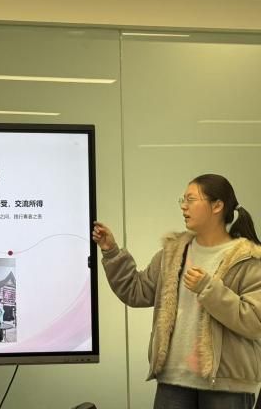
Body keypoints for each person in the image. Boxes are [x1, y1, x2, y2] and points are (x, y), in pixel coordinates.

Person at [93, 174, 261, 409]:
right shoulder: (173, 252)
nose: (184, 206)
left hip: (226, 385)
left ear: (217, 206)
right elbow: (136, 291)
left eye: (191, 199)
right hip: (173, 381)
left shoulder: (247, 258)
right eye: (183, 200)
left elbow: (255, 321)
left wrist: (209, 289)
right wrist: (111, 251)